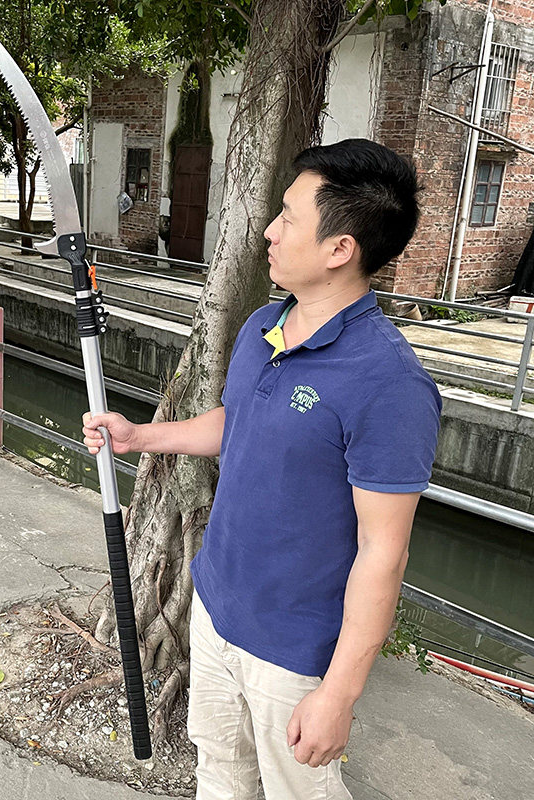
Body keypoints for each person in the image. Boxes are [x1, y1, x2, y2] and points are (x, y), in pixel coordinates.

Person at [82, 138, 442, 800]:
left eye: (288, 218)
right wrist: (141, 436)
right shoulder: (261, 327)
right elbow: (238, 420)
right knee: (219, 774)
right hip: (217, 609)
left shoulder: (390, 383)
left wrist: (338, 694)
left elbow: (383, 553)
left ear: (340, 249)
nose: (270, 231)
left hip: (294, 653)